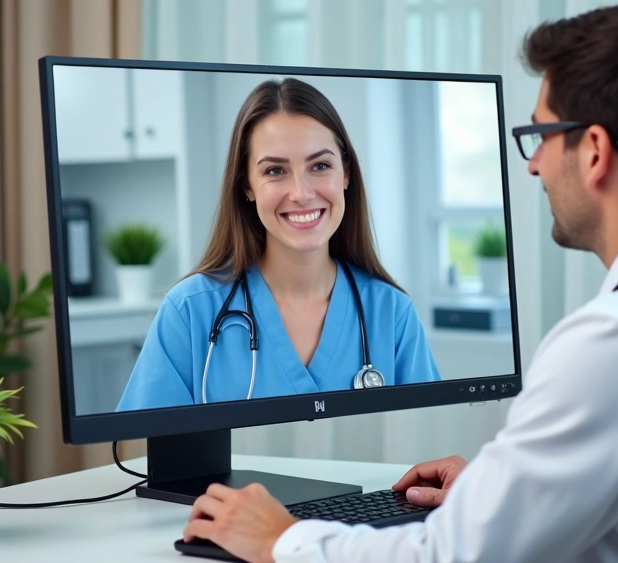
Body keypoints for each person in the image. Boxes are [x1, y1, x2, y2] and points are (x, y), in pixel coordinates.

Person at [179, 1, 618, 563]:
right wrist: (509, 493)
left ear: (593, 152)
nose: (531, 164)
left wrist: (284, 537)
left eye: (540, 136)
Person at [116, 78, 441, 410]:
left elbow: (430, 442)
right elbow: (145, 450)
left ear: (346, 174)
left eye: (320, 165)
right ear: (247, 186)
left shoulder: (391, 314)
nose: (301, 193)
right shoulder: (188, 312)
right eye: (275, 170)